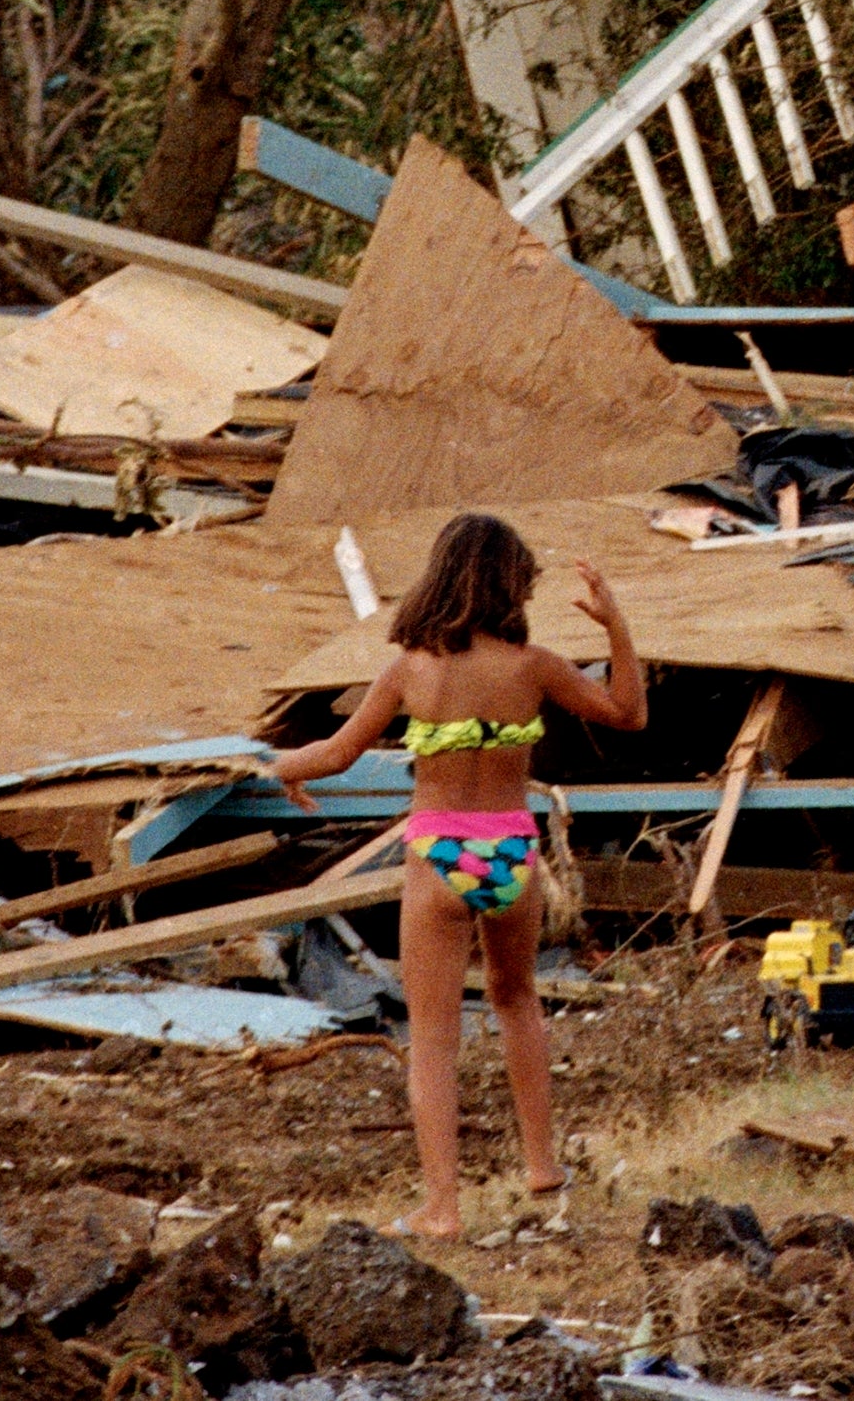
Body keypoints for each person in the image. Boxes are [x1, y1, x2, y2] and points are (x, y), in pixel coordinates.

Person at [268, 514, 644, 1239]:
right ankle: (542, 1167)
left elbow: (338, 752)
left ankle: (442, 1207)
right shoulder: (535, 666)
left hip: (437, 853)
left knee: (434, 1039)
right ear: (511, 585)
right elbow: (629, 713)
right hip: (512, 849)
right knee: (517, 1000)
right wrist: (616, 626)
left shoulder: (410, 668)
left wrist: (274, 770)